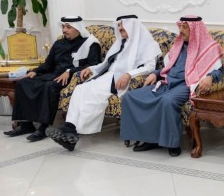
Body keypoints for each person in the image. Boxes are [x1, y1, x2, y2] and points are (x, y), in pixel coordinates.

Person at [48, 14, 161, 151]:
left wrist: (128, 74)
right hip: (107, 76)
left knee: (94, 95)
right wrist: (90, 68)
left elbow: (149, 68)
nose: (120, 28)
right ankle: (69, 128)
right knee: (80, 89)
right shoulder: (120, 43)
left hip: (120, 79)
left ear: (132, 26)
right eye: (118, 25)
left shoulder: (148, 45)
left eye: (122, 25)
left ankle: (74, 134)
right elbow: (106, 63)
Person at [120, 15, 223, 157]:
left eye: (185, 27)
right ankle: (150, 140)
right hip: (167, 82)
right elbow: (167, 67)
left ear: (195, 29)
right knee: (130, 97)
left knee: (167, 101)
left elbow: (219, 70)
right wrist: (155, 73)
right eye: (180, 26)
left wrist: (210, 77)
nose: (180, 30)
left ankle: (172, 144)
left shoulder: (208, 47)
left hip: (186, 85)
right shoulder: (178, 45)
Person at [4, 16, 102, 142]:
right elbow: (48, 64)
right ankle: (25, 125)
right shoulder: (59, 43)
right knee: (23, 83)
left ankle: (43, 127)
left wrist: (70, 71)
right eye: (63, 27)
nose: (64, 30)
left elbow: (94, 65)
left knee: (49, 87)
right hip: (53, 74)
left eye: (68, 27)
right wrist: (35, 71)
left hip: (70, 78)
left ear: (77, 28)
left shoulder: (90, 44)